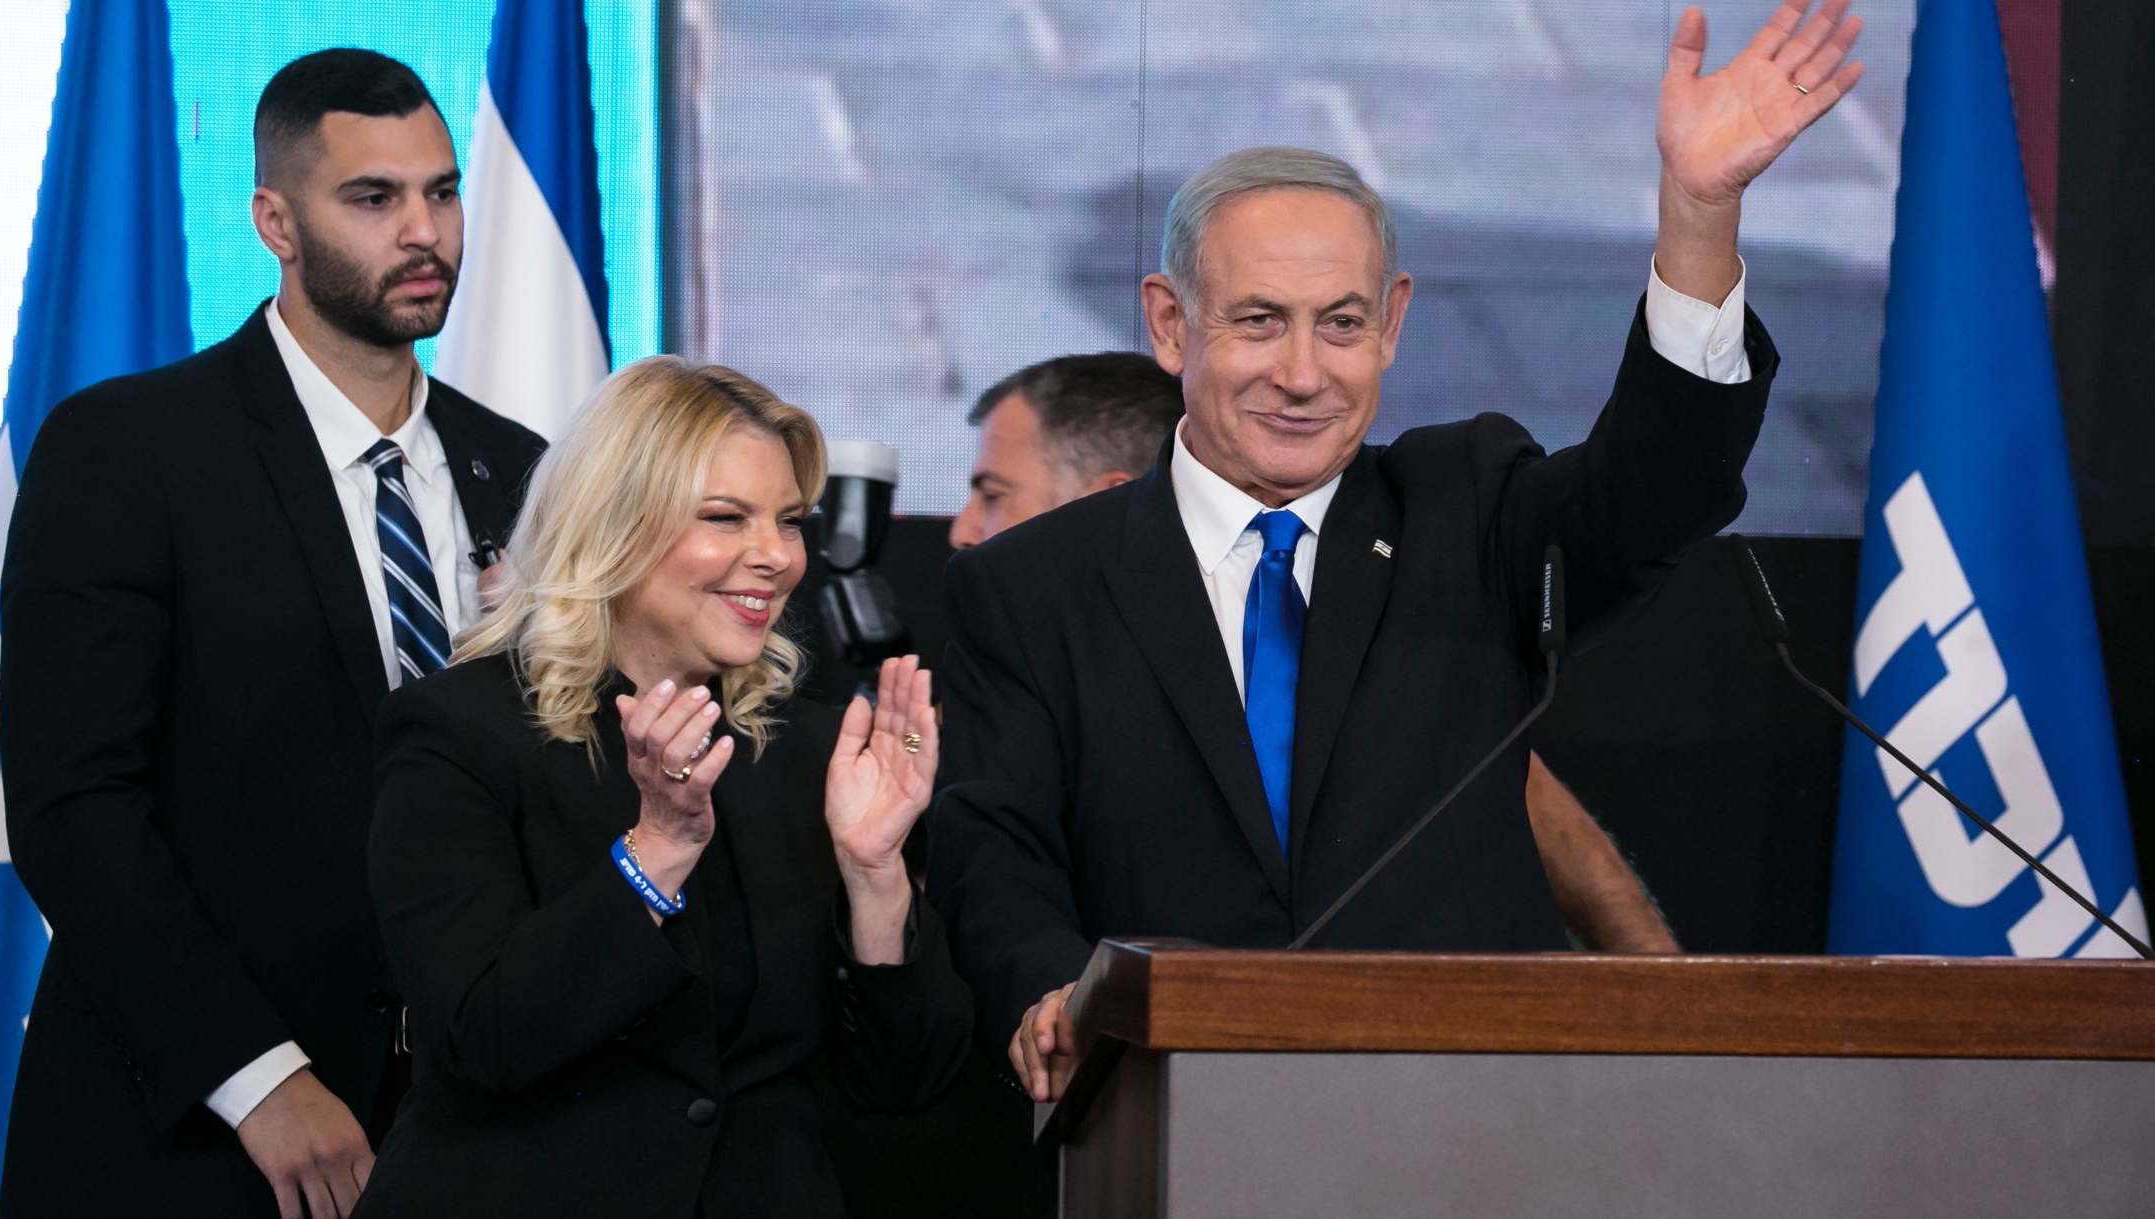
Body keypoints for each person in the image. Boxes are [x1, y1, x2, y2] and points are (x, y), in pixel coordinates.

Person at [929, 0, 1863, 1103]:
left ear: (1395, 324)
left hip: (1472, 1126)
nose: (1303, 373)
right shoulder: (1035, 584)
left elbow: (1657, 490)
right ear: (1172, 325)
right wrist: (1047, 990)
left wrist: (1699, 217)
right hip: (1169, 1122)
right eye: (1259, 321)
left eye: (1341, 322)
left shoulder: (1462, 509)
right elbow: (996, 851)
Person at [0, 49, 545, 1219]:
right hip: (195, 1141)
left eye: (442, 192)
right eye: (374, 197)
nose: (425, 232)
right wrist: (256, 1079)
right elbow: (73, 804)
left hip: (470, 1134)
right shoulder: (130, 449)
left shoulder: (525, 469)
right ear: (274, 222)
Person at [357, 357, 972, 1218]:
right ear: (614, 527)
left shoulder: (817, 747)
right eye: (727, 518)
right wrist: (656, 852)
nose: (776, 557)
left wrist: (875, 876)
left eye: (790, 522)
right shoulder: (458, 731)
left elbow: (910, 1079)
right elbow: (483, 1040)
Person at [951, 353, 1678, 954]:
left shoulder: (1400, 579)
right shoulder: (1012, 645)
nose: (960, 528)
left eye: (992, 494)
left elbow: (1527, 799)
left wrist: (1669, 1008)